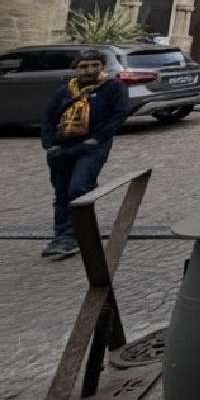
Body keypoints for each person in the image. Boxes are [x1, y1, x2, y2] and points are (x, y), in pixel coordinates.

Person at [40, 54, 128, 258]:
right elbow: (49, 118)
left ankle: (71, 237)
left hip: (91, 148)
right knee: (62, 192)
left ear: (102, 67)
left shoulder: (113, 88)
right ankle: (63, 236)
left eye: (95, 65)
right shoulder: (65, 92)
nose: (89, 70)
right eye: (84, 66)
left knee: (78, 188)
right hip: (62, 148)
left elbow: (119, 115)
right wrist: (50, 145)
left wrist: (97, 139)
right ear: (75, 69)